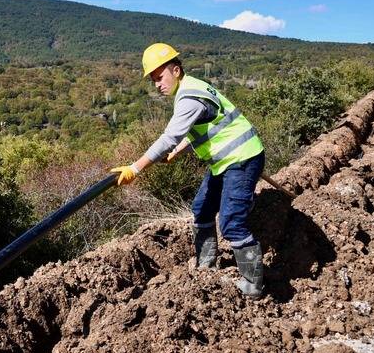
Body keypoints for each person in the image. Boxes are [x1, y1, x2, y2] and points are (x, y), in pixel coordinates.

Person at [112, 43, 266, 298]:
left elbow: (169, 137)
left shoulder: (189, 98)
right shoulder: (192, 87)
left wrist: (135, 169)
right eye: (153, 80)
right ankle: (206, 266)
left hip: (242, 159)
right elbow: (198, 129)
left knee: (231, 223)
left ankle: (254, 285)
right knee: (202, 211)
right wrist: (177, 153)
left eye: (160, 77)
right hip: (225, 161)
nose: (157, 84)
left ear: (175, 69)